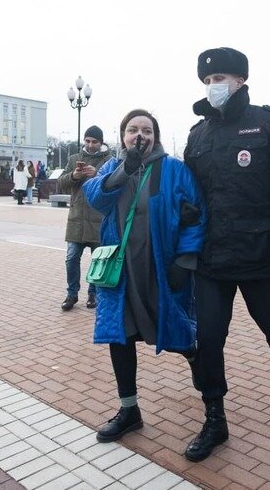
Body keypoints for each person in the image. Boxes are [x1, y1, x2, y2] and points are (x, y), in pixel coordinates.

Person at [183, 47, 270, 462]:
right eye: (208, 81)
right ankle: (214, 419)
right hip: (211, 258)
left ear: (241, 80)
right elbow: (188, 195)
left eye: (220, 78)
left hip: (261, 252)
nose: (214, 87)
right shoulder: (198, 134)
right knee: (207, 338)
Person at [83, 109, 206, 443]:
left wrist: (187, 258)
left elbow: (195, 215)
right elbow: (95, 198)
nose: (140, 136)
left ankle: (193, 353)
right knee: (120, 337)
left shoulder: (174, 170)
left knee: (171, 327)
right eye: (133, 130)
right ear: (123, 136)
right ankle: (129, 410)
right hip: (121, 274)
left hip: (161, 271)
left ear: (156, 136)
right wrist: (126, 169)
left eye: (147, 131)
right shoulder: (113, 167)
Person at [57, 125, 112, 311]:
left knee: (98, 260)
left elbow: (115, 185)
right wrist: (74, 175)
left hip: (99, 220)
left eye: (94, 141)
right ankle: (72, 294)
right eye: (87, 141)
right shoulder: (74, 159)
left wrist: (97, 175)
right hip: (77, 219)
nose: (90, 145)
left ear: (101, 142)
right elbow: (61, 184)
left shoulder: (109, 161)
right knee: (71, 257)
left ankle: (93, 294)